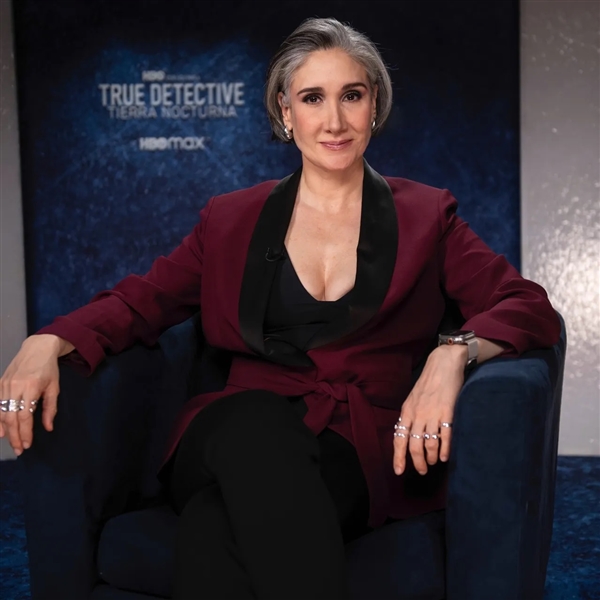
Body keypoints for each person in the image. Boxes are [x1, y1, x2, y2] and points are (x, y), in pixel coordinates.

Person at [1, 16, 560, 600]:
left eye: (351, 95)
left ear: (374, 104)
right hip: (227, 433)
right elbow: (143, 301)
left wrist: (453, 354)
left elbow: (527, 305)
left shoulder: (427, 216)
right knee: (257, 422)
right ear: (285, 112)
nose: (335, 120)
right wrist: (49, 340)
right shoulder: (229, 218)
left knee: (213, 527)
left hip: (353, 449)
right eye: (313, 98)